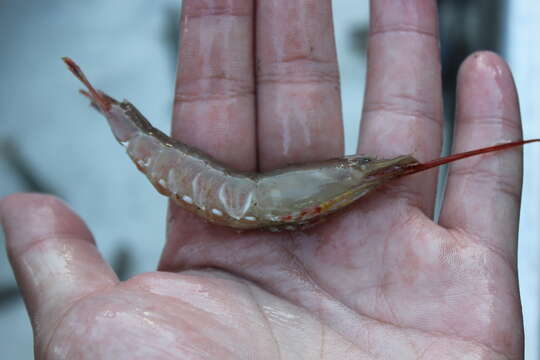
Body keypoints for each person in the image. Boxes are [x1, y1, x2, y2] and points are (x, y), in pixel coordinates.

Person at [0, 0, 524, 358]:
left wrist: (364, 175)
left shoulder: (300, 203)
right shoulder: (283, 205)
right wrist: (360, 175)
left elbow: (287, 200)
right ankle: (113, 110)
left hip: (243, 194)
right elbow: (276, 201)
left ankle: (111, 109)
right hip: (221, 185)